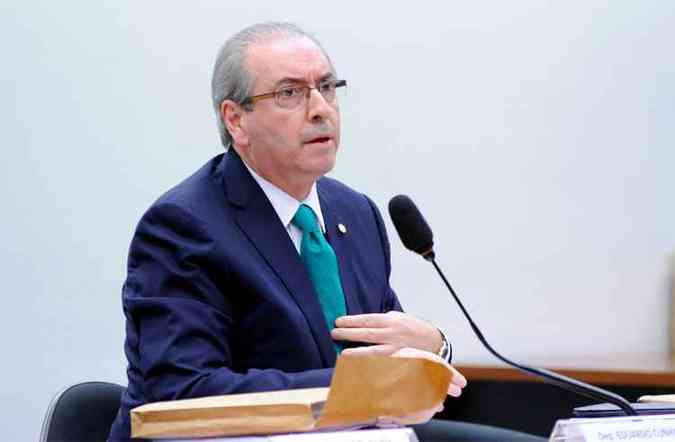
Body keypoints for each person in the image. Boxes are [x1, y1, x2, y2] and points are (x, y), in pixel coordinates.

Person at [108, 22, 545, 442]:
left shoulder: (355, 214)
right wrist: (358, 387)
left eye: (328, 87)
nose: (320, 108)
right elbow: (183, 392)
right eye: (289, 93)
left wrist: (435, 346)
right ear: (236, 120)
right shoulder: (184, 227)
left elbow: (384, 350)